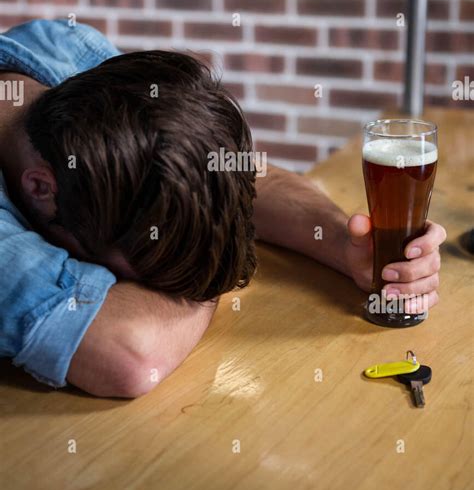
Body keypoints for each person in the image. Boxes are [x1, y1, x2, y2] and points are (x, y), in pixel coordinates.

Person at [0, 20, 446, 397]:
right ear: (42, 189)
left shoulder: (69, 50)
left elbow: (233, 174)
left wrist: (342, 244)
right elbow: (130, 353)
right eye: (151, 269)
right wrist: (213, 260)